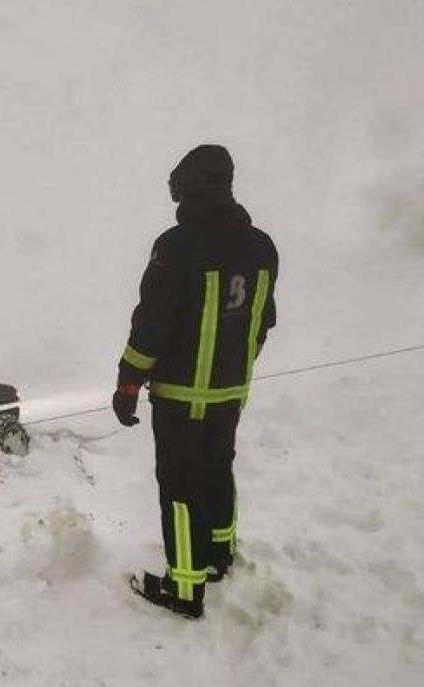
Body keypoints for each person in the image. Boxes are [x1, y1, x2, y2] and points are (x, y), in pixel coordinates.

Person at [113, 144, 278, 619]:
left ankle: (185, 588)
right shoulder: (262, 248)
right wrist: (234, 369)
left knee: (180, 487)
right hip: (231, 393)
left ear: (188, 187)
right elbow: (263, 320)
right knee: (218, 470)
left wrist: (128, 382)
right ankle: (219, 556)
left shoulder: (177, 246)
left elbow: (152, 324)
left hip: (181, 396)